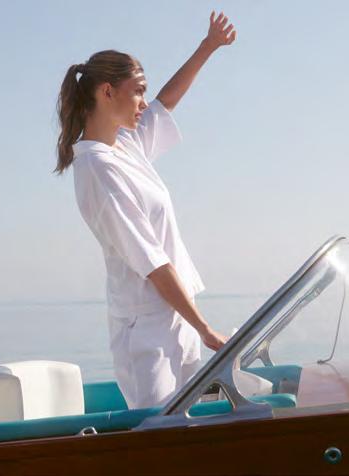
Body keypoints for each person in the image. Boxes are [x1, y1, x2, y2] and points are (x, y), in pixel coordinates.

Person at [54, 12, 236, 409]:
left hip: (177, 315)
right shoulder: (98, 167)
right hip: (146, 327)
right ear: (107, 92)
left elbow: (165, 103)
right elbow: (152, 262)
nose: (143, 102)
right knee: (159, 430)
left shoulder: (125, 146)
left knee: (190, 429)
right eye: (137, 91)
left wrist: (207, 47)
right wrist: (205, 328)